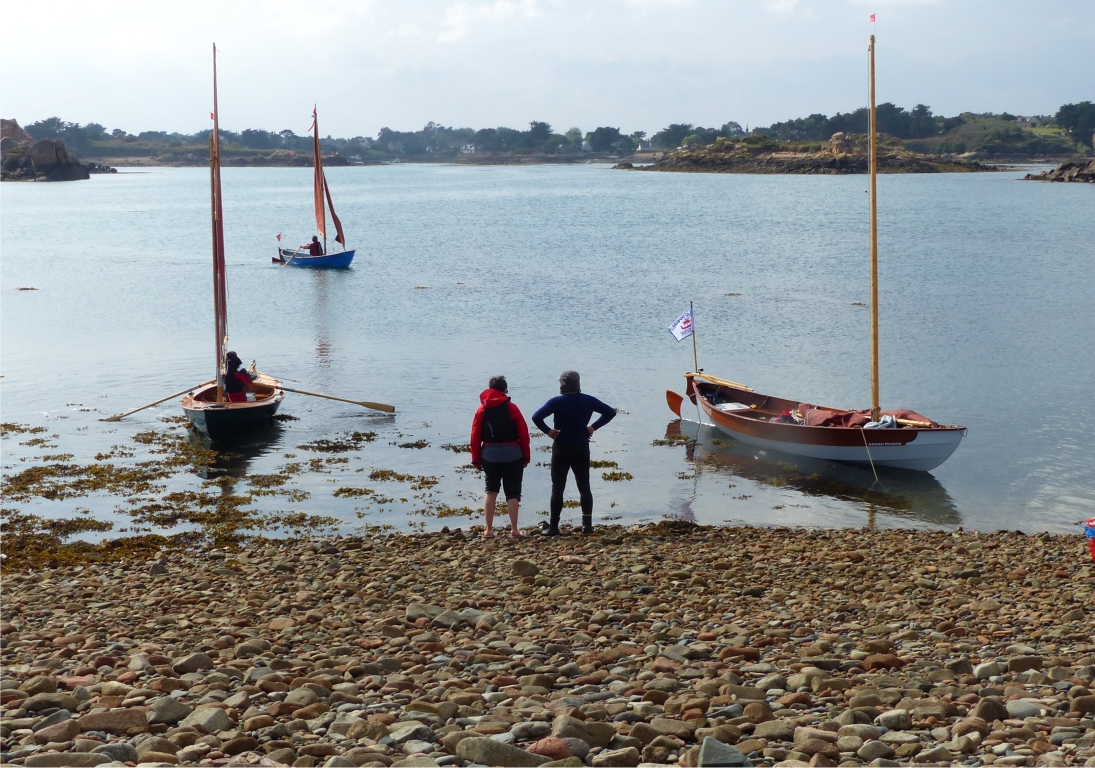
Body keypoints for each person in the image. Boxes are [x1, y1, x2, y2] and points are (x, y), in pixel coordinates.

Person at [532, 370, 616, 536]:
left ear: (561, 385)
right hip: (581, 447)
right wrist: (593, 427)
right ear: (578, 384)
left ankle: (554, 527)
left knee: (558, 488)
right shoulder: (588, 400)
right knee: (584, 487)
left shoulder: (557, 401)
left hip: (561, 447)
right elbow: (610, 412)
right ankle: (587, 526)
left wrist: (548, 431)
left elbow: (536, 417)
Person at [470, 376, 531, 538]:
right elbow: (524, 435)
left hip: (490, 455)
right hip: (513, 455)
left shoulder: (481, 410)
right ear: (505, 390)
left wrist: (476, 459)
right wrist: (526, 456)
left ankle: (489, 530)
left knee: (491, 491)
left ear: (490, 389)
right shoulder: (512, 408)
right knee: (513, 493)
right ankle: (514, 529)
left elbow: (475, 437)